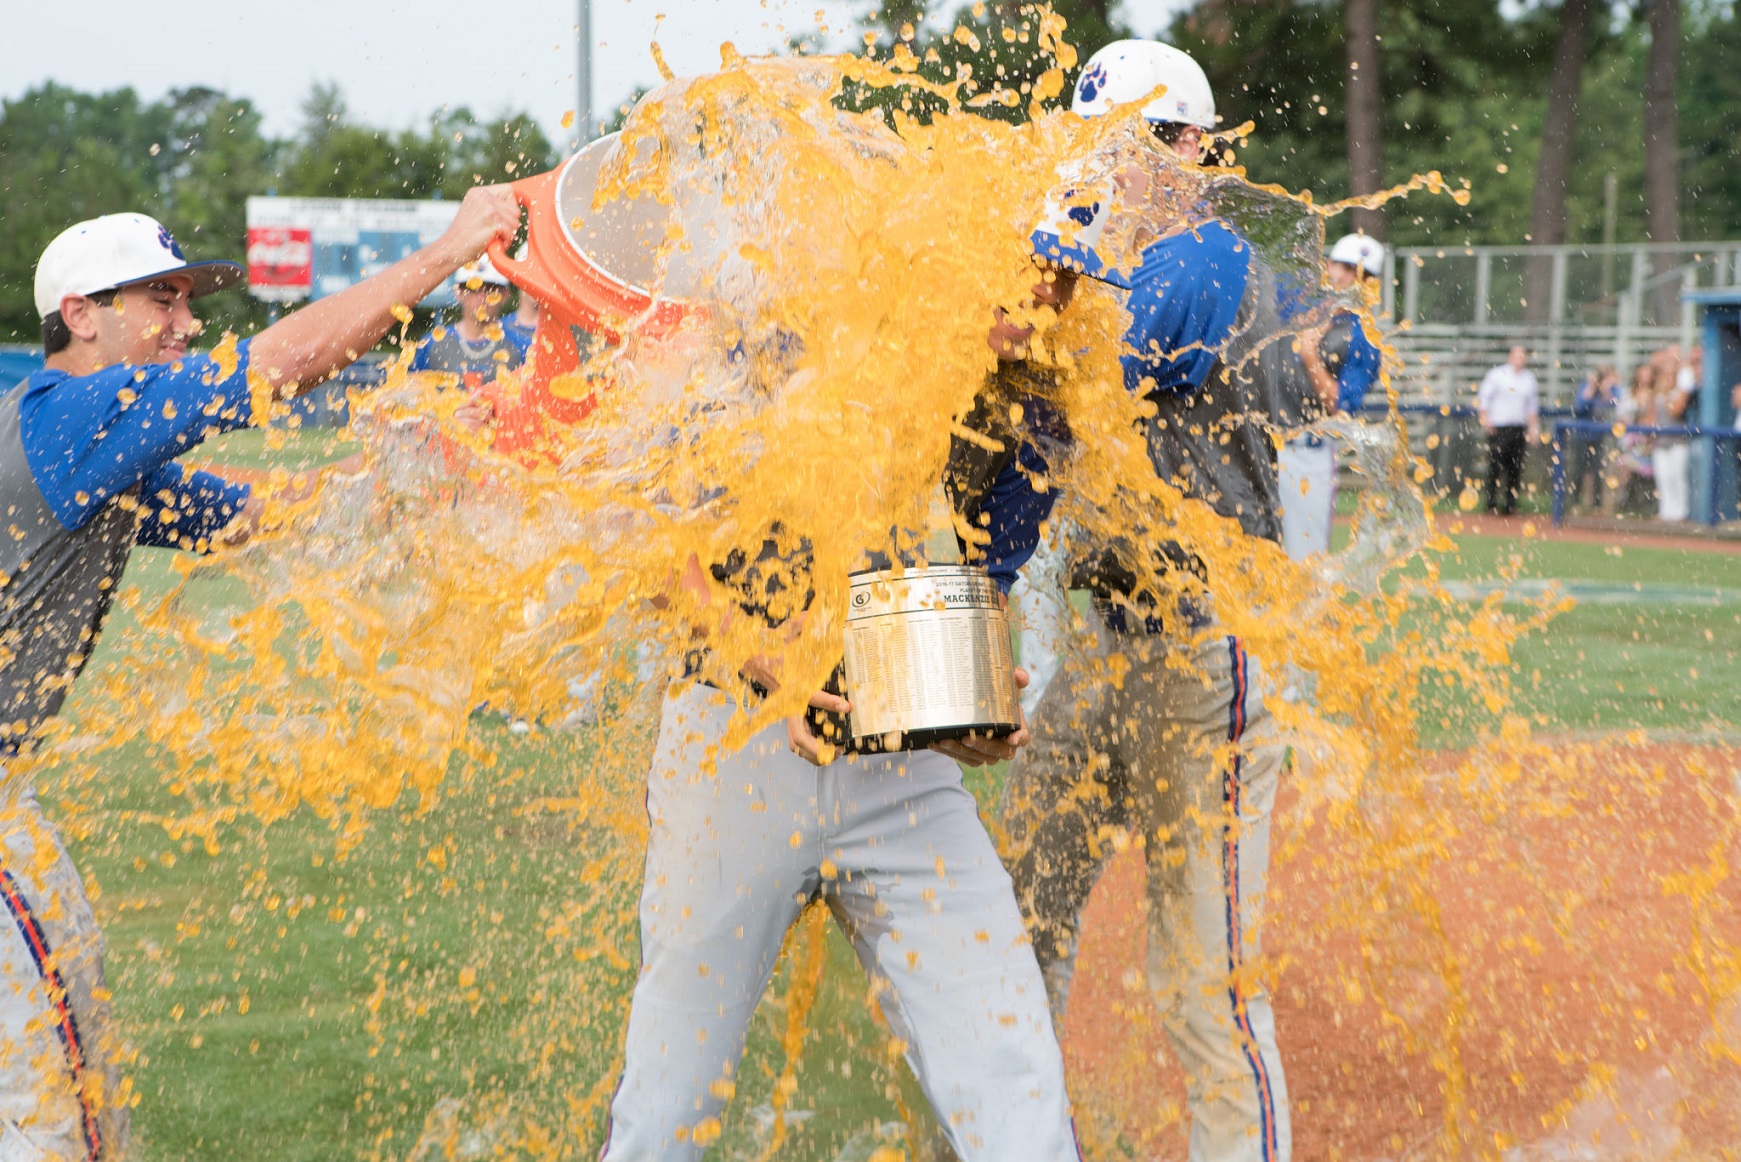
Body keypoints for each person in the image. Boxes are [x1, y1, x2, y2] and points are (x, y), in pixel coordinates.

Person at [0, 192, 517, 1161]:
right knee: (52, 1121)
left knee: (76, 1094)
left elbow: (238, 515)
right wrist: (450, 249)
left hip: (11, 806)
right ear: (80, 314)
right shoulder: (72, 415)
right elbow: (273, 367)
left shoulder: (83, 444)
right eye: (163, 298)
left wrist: (392, 484)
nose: (186, 323)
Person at [598, 275, 1084, 1161]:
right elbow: (647, 528)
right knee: (665, 1106)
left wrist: (974, 720)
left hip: (905, 777)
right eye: (1029, 267)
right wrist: (763, 660)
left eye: (1070, 278)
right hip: (735, 746)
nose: (1048, 296)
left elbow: (976, 603)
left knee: (1016, 1079)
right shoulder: (811, 320)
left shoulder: (1040, 411)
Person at [1008, 37, 1312, 1162]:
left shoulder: (1207, 258)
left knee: (1202, 983)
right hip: (1106, 643)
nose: (1112, 170)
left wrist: (1032, 269)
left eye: (1135, 146)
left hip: (1203, 656)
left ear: (1193, 148)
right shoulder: (1113, 259)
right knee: (1017, 918)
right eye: (1100, 149)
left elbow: (1085, 361)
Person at [1278, 232, 1386, 558]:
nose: (1348, 277)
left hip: (1306, 455)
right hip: (1257, 441)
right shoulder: (1294, 308)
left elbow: (1341, 408)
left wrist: (1310, 357)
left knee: (1303, 565)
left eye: (1360, 274)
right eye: (1344, 266)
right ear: (1328, 265)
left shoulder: (1364, 336)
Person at [409, 253, 529, 389]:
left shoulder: (522, 347)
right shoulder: (432, 345)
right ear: (458, 293)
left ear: (505, 294)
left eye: (490, 289)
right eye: (473, 289)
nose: (482, 296)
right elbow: (412, 397)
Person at [1477, 345, 1539, 516]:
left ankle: (1510, 505)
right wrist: (1486, 421)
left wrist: (1533, 429)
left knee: (1515, 468)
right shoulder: (1497, 375)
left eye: (1522, 356)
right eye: (1516, 355)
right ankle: (1491, 504)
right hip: (1499, 427)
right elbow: (1484, 399)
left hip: (1518, 427)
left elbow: (1531, 408)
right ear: (1510, 357)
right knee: (1495, 465)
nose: (1519, 359)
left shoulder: (1529, 379)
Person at [1652, 345, 1698, 522]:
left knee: (1677, 478)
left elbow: (1675, 410)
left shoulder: (1682, 386)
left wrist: (1678, 380)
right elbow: (1652, 415)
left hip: (1678, 439)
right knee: (1663, 478)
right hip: (1661, 440)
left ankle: (1680, 514)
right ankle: (1666, 513)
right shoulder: (1660, 387)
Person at [1570, 365, 1620, 509]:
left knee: (1598, 470)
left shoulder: (1610, 389)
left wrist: (1605, 390)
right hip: (1582, 435)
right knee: (1578, 470)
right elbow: (1580, 406)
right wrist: (1592, 386)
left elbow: (1613, 405)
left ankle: (1596, 505)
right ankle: (1575, 503)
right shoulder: (1586, 387)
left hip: (1600, 437)